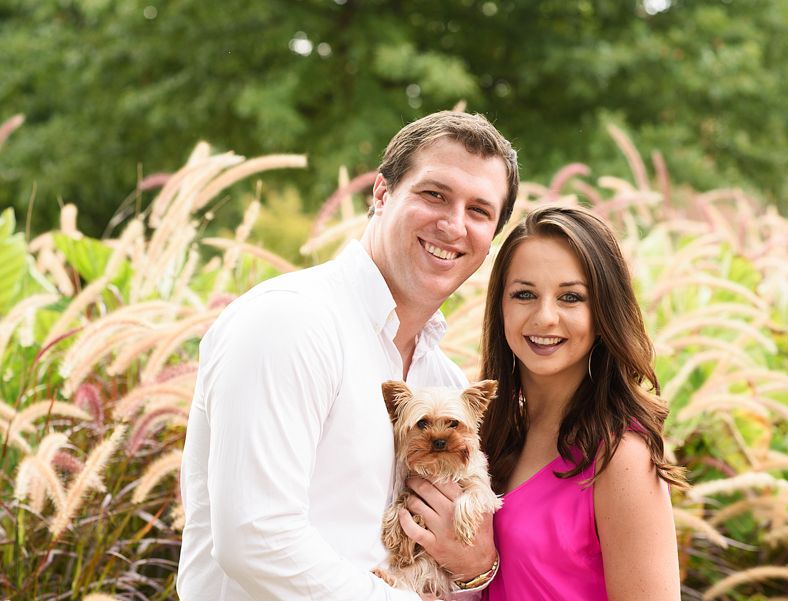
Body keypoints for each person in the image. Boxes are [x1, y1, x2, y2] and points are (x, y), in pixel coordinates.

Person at [177, 111, 520, 600]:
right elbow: (255, 538)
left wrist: (476, 568)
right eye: (434, 194)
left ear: (490, 239)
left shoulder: (441, 378)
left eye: (480, 211)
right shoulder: (291, 322)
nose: (453, 224)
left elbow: (447, 558)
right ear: (381, 194)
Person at [474, 205, 689, 600]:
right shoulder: (484, 434)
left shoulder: (620, 456)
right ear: (500, 306)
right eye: (524, 294)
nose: (544, 317)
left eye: (571, 297)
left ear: (604, 311)